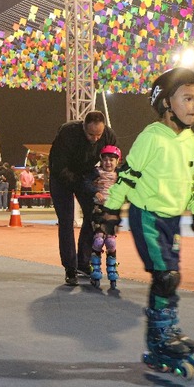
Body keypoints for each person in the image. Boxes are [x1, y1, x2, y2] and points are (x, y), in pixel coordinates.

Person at [103, 68, 194, 374]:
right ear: (165, 103)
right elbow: (127, 176)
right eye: (187, 98)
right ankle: (159, 336)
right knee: (165, 277)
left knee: (172, 276)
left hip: (172, 219)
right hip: (146, 215)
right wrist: (110, 211)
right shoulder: (151, 137)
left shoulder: (193, 142)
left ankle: (167, 328)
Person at [49, 110, 117, 285]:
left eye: (98, 135)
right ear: (83, 127)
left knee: (92, 216)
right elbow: (58, 167)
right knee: (66, 220)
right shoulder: (67, 132)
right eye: (90, 134)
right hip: (62, 178)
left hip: (87, 177)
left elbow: (113, 161)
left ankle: (83, 262)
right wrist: (82, 184)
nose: (95, 139)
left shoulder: (108, 135)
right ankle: (70, 267)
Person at [87, 144, 121, 289]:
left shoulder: (120, 175)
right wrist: (95, 192)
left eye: (111, 160)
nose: (108, 162)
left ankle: (113, 268)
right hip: (98, 209)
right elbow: (85, 183)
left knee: (111, 242)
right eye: (105, 159)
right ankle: (95, 268)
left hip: (113, 211)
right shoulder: (97, 172)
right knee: (99, 240)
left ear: (117, 161)